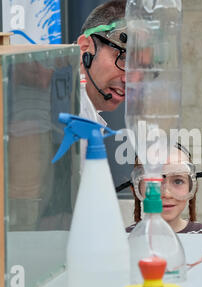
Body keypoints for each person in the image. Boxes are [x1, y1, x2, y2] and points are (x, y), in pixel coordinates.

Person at [76, 0, 127, 169]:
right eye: (122, 57)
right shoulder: (60, 112)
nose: (129, 80)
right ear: (85, 48)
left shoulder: (86, 113)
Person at [119, 143, 202, 234]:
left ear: (192, 186)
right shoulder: (127, 238)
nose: (166, 194)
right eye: (153, 182)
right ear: (135, 189)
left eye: (178, 181)